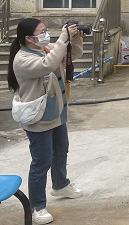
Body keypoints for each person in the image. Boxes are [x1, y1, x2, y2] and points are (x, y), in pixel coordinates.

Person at [7, 19, 84, 225]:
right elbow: (48, 65)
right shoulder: (22, 59)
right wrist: (63, 37)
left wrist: (75, 40)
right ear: (28, 38)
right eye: (41, 32)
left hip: (56, 111)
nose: (45, 34)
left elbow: (72, 55)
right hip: (38, 117)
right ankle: (37, 206)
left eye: (45, 31)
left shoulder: (45, 48)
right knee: (41, 162)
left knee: (61, 151)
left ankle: (60, 185)